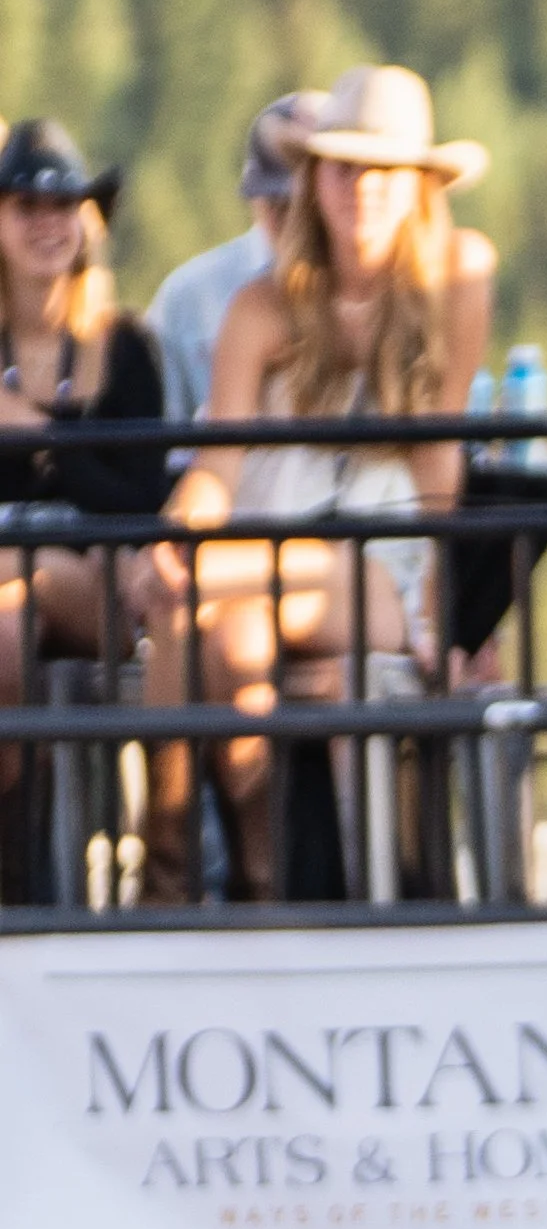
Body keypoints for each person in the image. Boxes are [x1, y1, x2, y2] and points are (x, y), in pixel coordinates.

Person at [145, 65, 495, 895]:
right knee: (226, 637)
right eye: (342, 167)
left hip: (379, 561)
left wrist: (445, 613)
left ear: (419, 187)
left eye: (384, 171)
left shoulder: (453, 284)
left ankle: (163, 866)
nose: (362, 189)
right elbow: (217, 467)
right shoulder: (260, 306)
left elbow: (439, 464)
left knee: (182, 584)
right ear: (313, 180)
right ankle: (262, 873)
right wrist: (182, 524)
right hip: (259, 553)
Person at [0, 119, 169, 724]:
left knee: (22, 580)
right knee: (6, 630)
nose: (48, 223)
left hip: (105, 589)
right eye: (27, 206)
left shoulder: (125, 347)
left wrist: (41, 435)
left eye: (64, 205)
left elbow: (142, 501)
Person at [143, 93, 324, 423]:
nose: (286, 217)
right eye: (273, 201)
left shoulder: (375, 289)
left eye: (300, 204)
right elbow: (160, 426)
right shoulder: (189, 294)